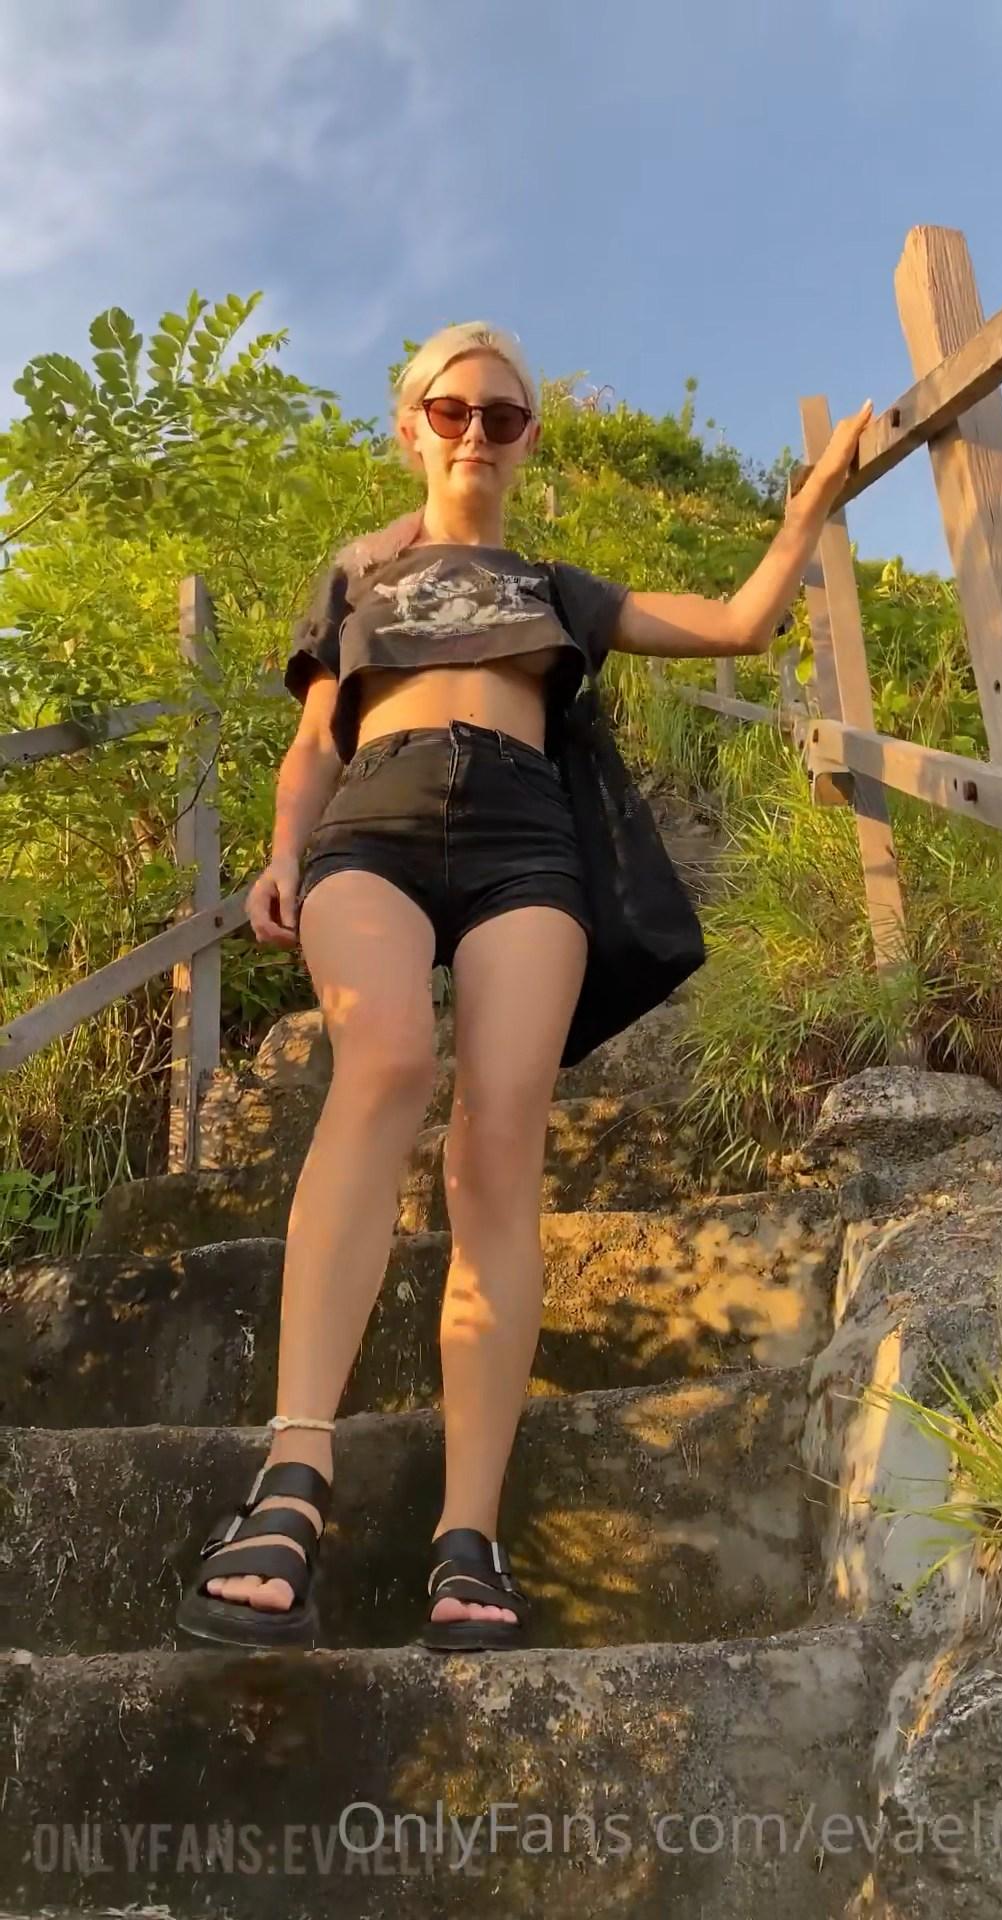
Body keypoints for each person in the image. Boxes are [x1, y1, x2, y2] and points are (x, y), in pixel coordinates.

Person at [175, 321, 870, 1653]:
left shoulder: (554, 586)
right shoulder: (357, 572)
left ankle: (468, 1533)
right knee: (385, 1062)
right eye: (451, 411)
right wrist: (279, 854)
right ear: (411, 426)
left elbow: (737, 623)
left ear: (528, 436)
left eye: (501, 415)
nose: (475, 434)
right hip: (373, 822)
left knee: (499, 1143)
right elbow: (314, 740)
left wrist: (807, 506)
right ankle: (292, 1476)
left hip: (525, 836)